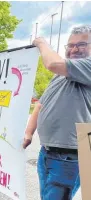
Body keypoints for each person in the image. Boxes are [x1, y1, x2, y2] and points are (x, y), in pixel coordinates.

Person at [23, 25, 91, 200]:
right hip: (46, 152)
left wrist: (42, 43)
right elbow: (40, 105)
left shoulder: (88, 67)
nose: (75, 49)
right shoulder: (60, 75)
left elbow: (52, 63)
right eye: (70, 45)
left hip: (70, 155)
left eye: (82, 44)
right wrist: (29, 133)